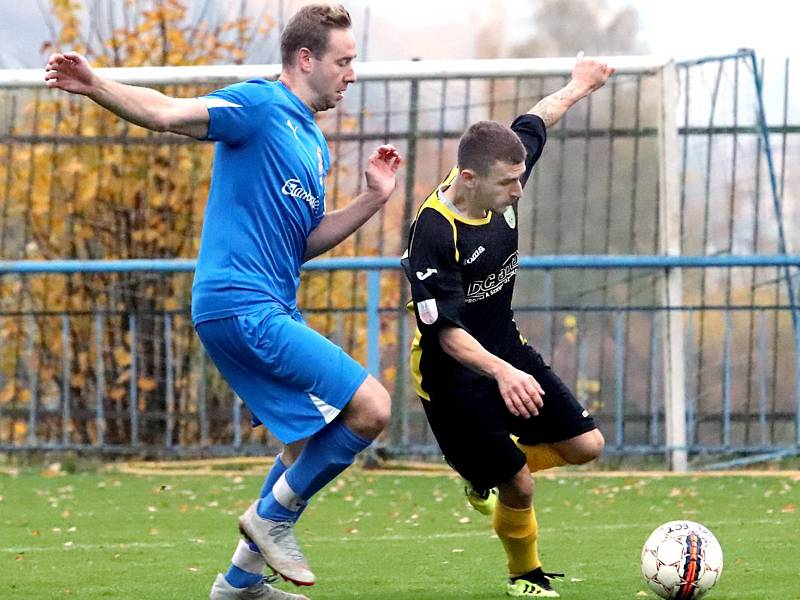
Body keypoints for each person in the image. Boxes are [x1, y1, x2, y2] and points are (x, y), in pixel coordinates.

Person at [45, 4, 401, 600]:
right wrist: (95, 84)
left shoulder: (310, 139)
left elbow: (300, 245)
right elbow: (166, 112)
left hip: (260, 304)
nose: (351, 75)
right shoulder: (260, 106)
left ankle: (239, 585)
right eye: (344, 62)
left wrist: (371, 199)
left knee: (304, 446)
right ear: (305, 60)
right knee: (371, 407)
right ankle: (269, 521)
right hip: (243, 305)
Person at [401, 53, 613, 598]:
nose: (519, 192)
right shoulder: (433, 234)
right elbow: (444, 335)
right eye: (508, 184)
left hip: (505, 350)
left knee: (587, 446)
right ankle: (525, 576)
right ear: (468, 179)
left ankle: (485, 474)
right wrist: (503, 375)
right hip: (452, 378)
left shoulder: (502, 171)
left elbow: (537, 120)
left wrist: (578, 85)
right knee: (518, 483)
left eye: (521, 178)